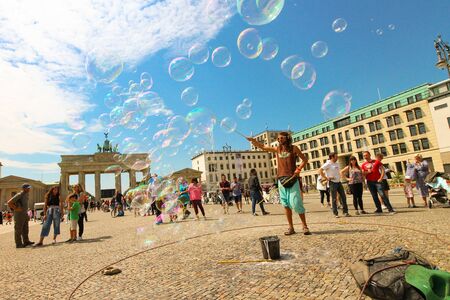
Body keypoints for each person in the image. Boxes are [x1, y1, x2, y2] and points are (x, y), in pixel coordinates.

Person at [248, 132, 310, 235]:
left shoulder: (294, 148)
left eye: (282, 138)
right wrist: (254, 141)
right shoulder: (277, 149)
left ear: (287, 138)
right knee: (285, 204)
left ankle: (304, 226)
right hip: (281, 180)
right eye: (278, 138)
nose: (279, 139)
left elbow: (305, 160)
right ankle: (291, 228)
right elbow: (263, 147)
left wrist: (299, 168)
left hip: (292, 178)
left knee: (296, 203)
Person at [319, 153, 350, 218]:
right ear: (332, 157)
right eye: (336, 157)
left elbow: (338, 172)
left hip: (338, 182)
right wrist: (326, 177)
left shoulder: (337, 163)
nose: (337, 157)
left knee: (343, 197)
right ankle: (335, 213)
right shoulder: (328, 163)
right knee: (334, 199)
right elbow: (320, 170)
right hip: (332, 183)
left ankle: (345, 212)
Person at [7, 184, 35, 248]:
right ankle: (18, 244)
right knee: (18, 229)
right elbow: (9, 203)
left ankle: (26, 241)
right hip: (19, 215)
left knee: (25, 229)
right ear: (23, 188)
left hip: (24, 214)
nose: (29, 189)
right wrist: (16, 208)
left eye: (29, 188)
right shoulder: (19, 195)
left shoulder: (26, 194)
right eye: (28, 188)